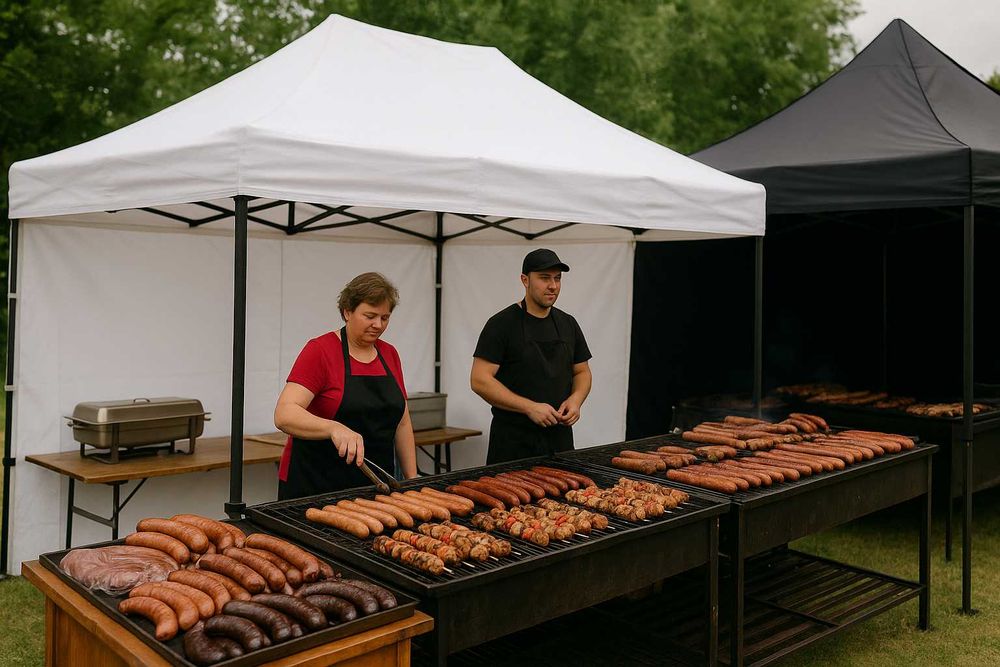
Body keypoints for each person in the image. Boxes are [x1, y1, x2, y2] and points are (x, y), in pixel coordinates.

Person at [274, 272, 417, 500]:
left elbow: (402, 421)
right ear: (347, 312)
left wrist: (412, 478)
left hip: (376, 487)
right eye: (370, 316)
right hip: (316, 486)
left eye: (385, 317)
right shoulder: (320, 351)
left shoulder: (389, 354)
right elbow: (284, 414)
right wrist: (334, 428)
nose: (378, 325)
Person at [470, 248, 593, 463]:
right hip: (512, 445)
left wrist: (576, 400)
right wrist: (529, 407)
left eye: (557, 278)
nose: (553, 286)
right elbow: (479, 380)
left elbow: (582, 371)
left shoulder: (568, 324)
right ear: (524, 280)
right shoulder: (501, 324)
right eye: (544, 278)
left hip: (560, 442)